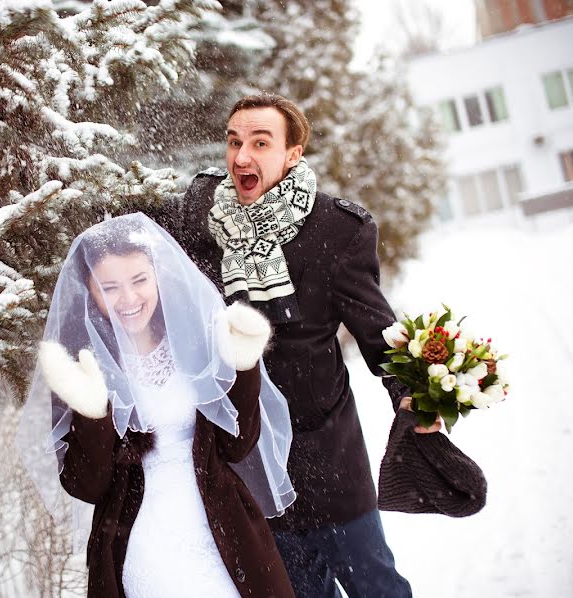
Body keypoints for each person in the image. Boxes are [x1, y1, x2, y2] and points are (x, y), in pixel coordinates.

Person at [149, 93, 442, 598]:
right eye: (234, 141)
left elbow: (377, 330)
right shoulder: (201, 216)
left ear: (292, 153)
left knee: (376, 586)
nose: (242, 156)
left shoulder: (337, 228)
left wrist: (411, 392)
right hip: (250, 458)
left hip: (329, 455)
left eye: (260, 143)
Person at [16, 213, 297, 598]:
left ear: (157, 275)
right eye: (110, 287)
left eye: (139, 280)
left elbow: (237, 443)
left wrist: (243, 366)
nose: (129, 299)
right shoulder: (81, 364)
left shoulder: (195, 336)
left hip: (223, 524)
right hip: (142, 535)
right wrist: (91, 412)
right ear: (89, 289)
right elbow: (87, 485)